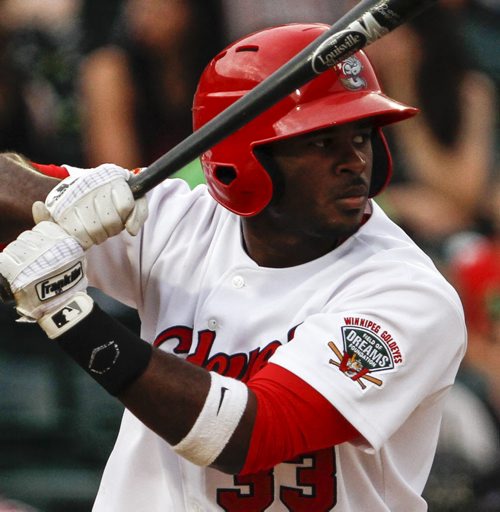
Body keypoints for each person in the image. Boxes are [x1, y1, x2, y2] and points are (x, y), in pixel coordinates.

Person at [0, 23, 466, 511]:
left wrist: (71, 317)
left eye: (362, 136)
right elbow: (15, 192)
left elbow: (247, 437)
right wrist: (60, 199)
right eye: (323, 142)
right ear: (242, 157)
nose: (355, 161)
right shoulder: (178, 220)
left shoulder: (406, 292)